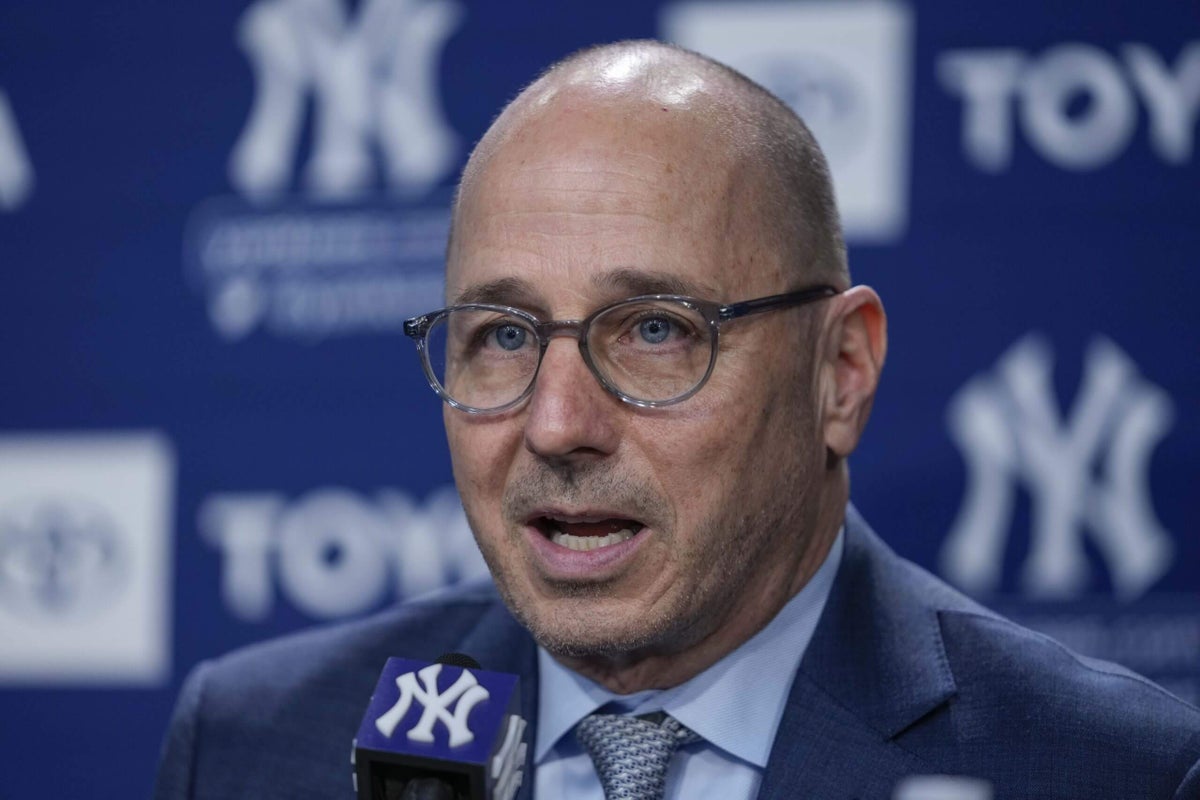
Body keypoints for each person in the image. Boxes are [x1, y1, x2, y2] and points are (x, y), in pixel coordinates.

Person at [154, 40, 1200, 799]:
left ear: (840, 374)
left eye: (655, 330)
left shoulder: (1111, 771)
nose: (557, 424)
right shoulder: (253, 748)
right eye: (505, 335)